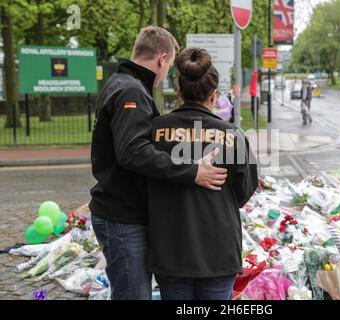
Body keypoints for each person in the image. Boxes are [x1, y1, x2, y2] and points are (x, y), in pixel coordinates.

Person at [89, 27, 227, 300]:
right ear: (162, 59)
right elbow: (132, 151)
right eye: (168, 65)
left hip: (122, 211)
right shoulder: (131, 90)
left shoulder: (124, 83)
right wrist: (192, 171)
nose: (165, 74)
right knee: (133, 295)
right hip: (122, 215)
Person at [147, 48, 259, 300]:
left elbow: (142, 179)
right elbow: (244, 191)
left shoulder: (154, 131)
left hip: (170, 247)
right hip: (217, 248)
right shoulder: (232, 135)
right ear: (214, 94)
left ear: (179, 91)